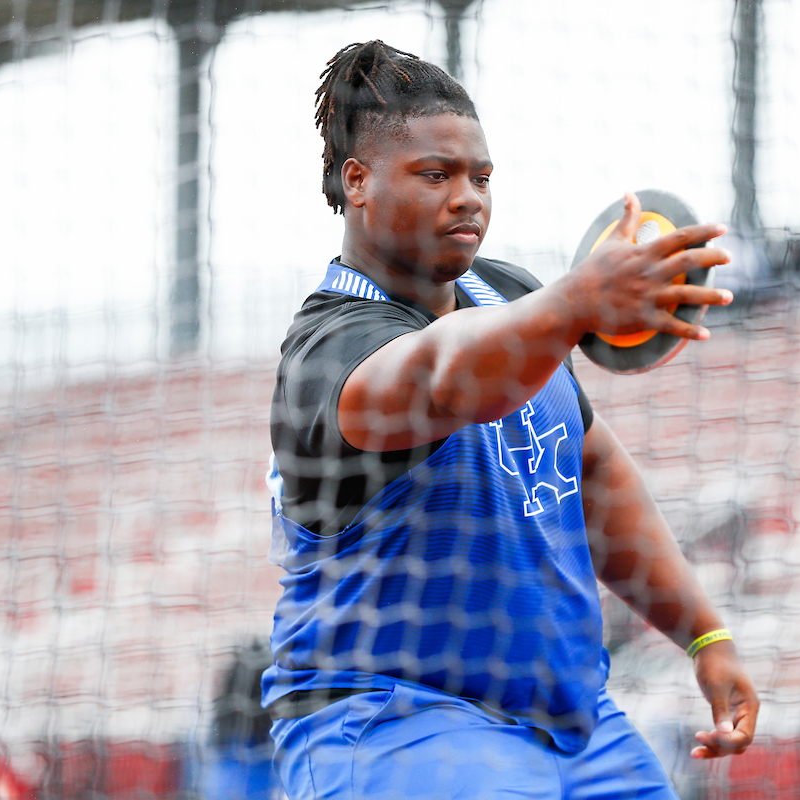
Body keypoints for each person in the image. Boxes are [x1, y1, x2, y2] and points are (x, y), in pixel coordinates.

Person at [261, 40, 759, 800]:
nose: (469, 198)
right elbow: (444, 377)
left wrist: (705, 634)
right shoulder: (328, 348)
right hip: (397, 725)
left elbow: (593, 473)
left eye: (481, 178)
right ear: (357, 181)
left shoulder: (508, 294)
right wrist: (571, 303)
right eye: (437, 175)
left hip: (574, 728)